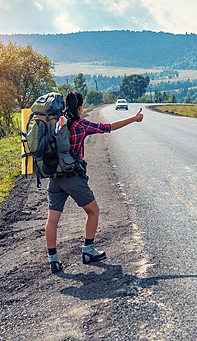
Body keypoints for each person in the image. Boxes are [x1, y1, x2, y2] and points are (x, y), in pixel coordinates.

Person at [45, 92, 143, 273]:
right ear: (80, 107)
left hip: (54, 177)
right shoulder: (81, 124)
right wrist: (134, 119)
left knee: (52, 220)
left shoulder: (57, 122)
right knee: (93, 211)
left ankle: (53, 260)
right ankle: (88, 250)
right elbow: (109, 127)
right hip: (72, 177)